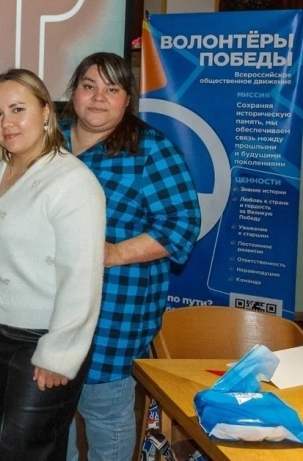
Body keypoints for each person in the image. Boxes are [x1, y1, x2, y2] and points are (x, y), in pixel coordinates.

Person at [62, 53, 201, 461]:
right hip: (48, 307)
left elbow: (181, 224)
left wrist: (112, 254)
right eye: (89, 86)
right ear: (73, 92)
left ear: (128, 99)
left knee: (104, 411)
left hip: (114, 310)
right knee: (52, 413)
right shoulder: (49, 139)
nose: (98, 98)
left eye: (112, 89)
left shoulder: (150, 149)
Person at [0, 68, 105, 461]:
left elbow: (82, 278)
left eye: (17, 109)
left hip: (42, 340)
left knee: (21, 451)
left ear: (45, 112)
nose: (6, 123)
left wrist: (60, 354)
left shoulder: (72, 182)